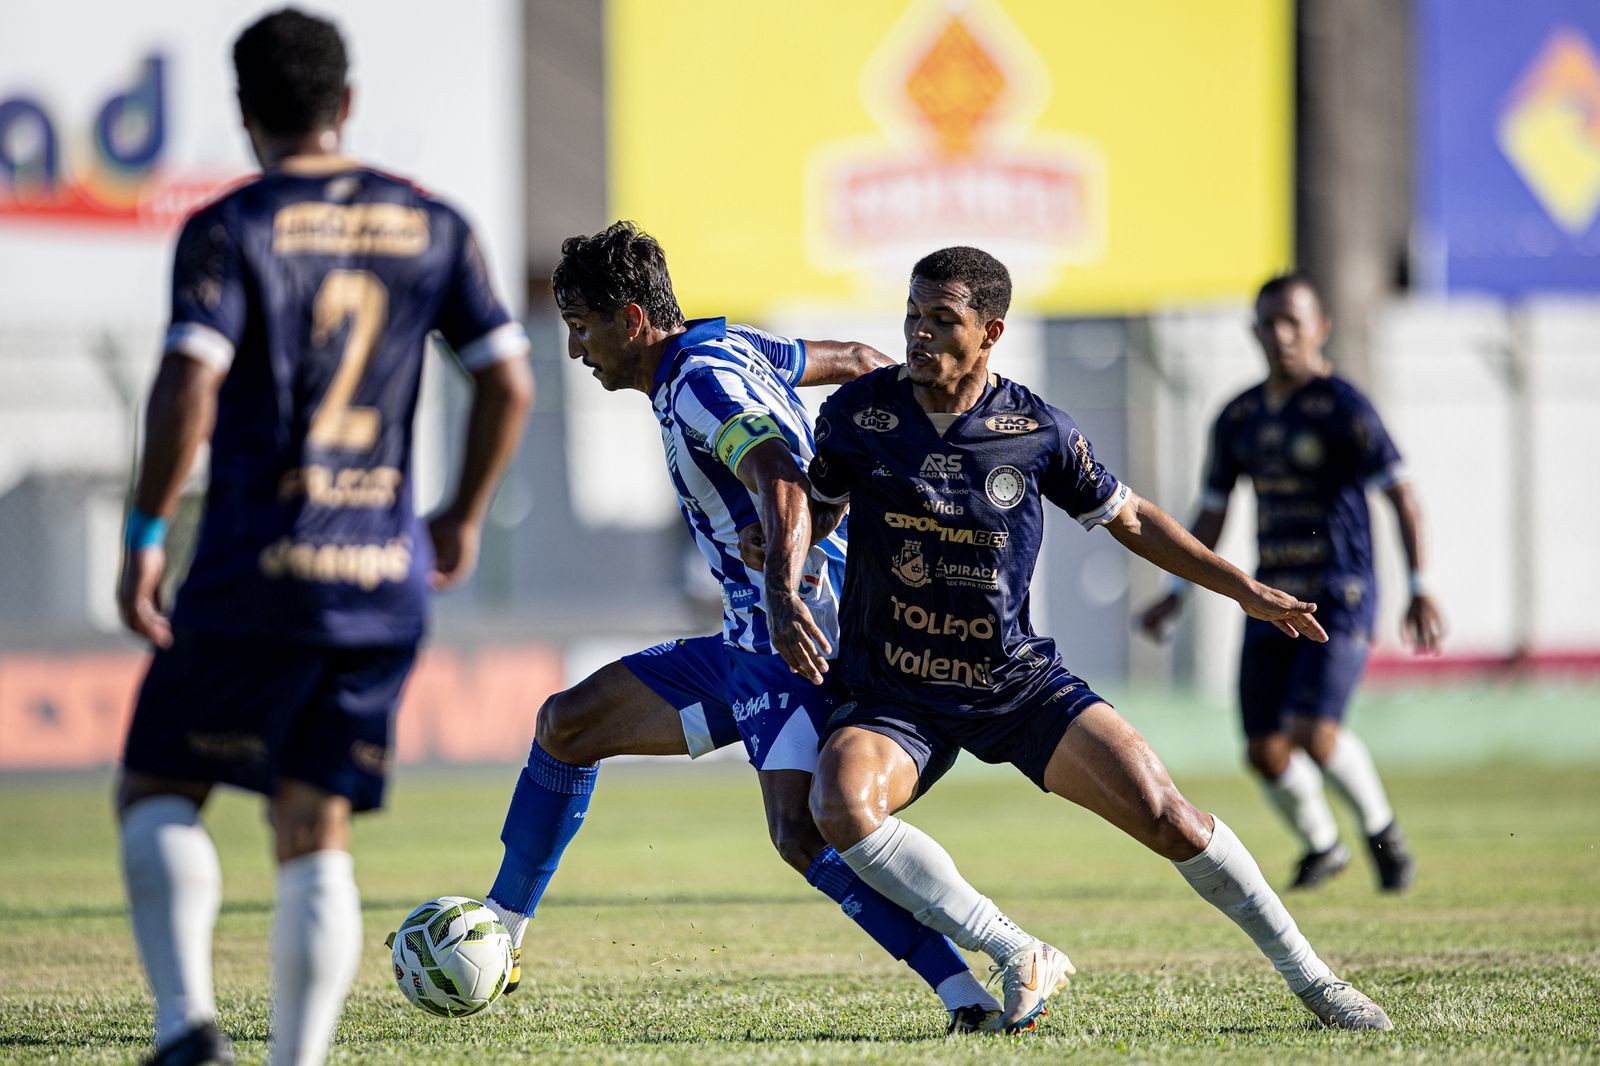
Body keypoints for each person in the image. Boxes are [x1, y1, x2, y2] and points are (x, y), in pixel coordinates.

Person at [756, 246, 1395, 1034]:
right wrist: (781, 574)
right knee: (838, 804)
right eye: (912, 316)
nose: (918, 336)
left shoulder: (1036, 430)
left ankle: (1319, 985)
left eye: (941, 321)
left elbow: (1132, 519)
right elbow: (813, 506)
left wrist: (1242, 589)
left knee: (1170, 817)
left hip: (1011, 684)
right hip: (894, 689)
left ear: (990, 332)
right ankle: (1016, 950)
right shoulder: (859, 415)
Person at [114, 11, 534, 1065]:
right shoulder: (433, 223)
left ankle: (188, 1031)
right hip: (379, 572)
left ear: (245, 112)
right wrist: (461, 512)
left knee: (159, 787)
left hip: (255, 560)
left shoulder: (230, 227)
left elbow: (186, 385)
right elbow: (508, 378)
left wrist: (146, 529)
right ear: (345, 103)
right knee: (316, 826)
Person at [483, 221, 1007, 1034]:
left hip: (782, 627)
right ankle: (501, 934)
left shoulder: (699, 383)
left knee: (799, 829)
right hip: (746, 635)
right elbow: (867, 365)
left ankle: (967, 989)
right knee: (566, 724)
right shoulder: (731, 346)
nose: (578, 350)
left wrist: (782, 587)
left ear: (630, 320)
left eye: (582, 329)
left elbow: (780, 476)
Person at [1137, 273, 1443, 892]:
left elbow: (1402, 494)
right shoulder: (1239, 417)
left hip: (1340, 591)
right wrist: (1176, 592)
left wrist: (1419, 583)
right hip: (1271, 595)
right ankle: (1323, 845)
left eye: (1293, 322)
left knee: (1313, 731)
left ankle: (1386, 839)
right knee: (1263, 750)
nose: (1281, 335)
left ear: (1319, 328)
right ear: (1254, 331)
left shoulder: (1343, 408)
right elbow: (1213, 511)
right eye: (1269, 323)